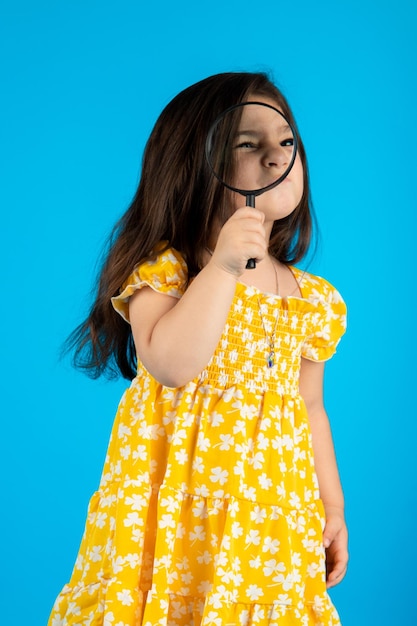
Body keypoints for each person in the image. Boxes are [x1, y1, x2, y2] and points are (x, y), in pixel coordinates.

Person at [48, 71, 348, 626]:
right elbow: (170, 364)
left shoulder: (314, 300)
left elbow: (309, 406)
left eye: (286, 143)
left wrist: (332, 506)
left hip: (267, 507)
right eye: (247, 143)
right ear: (195, 166)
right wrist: (224, 266)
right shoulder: (170, 270)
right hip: (178, 501)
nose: (274, 156)